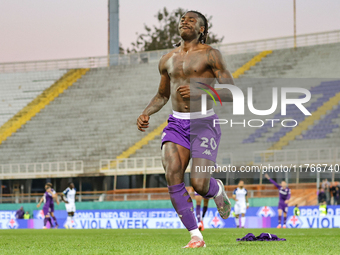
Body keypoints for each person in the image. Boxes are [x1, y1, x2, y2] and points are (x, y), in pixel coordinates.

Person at [137, 10, 234, 248]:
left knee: (199, 184)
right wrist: (146, 112)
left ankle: (216, 189)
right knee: (172, 173)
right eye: (182, 19)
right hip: (176, 124)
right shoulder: (167, 59)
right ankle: (195, 236)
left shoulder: (212, 54)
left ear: (202, 29)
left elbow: (233, 93)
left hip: (204, 123)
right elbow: (162, 95)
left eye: (191, 19)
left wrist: (202, 91)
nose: (185, 21)